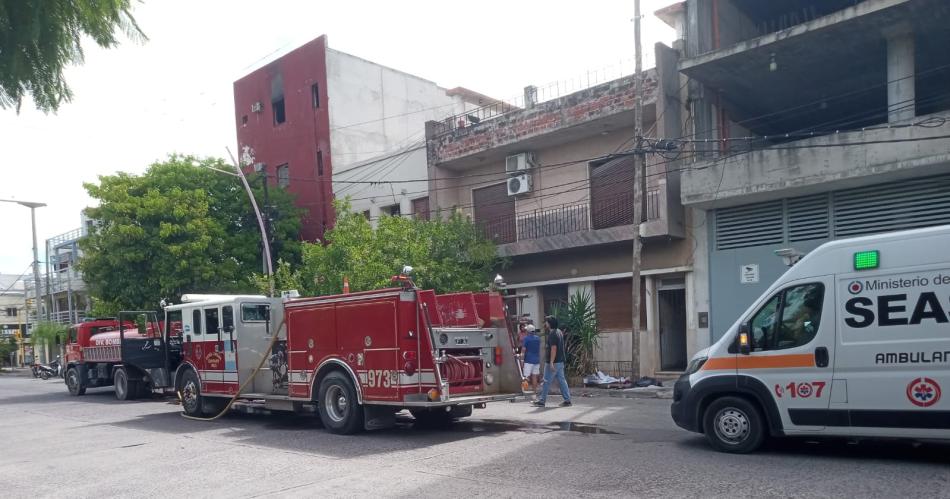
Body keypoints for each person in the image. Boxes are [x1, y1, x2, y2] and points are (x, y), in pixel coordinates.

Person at [532, 315, 572, 408]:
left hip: (554, 362)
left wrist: (551, 362)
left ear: (549, 324)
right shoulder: (559, 332)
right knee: (562, 381)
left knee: (546, 381)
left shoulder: (552, 334)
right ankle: (567, 400)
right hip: (560, 361)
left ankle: (542, 401)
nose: (545, 323)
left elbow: (554, 348)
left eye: (546, 322)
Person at [521, 324, 541, 396]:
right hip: (536, 360)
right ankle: (534, 393)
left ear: (528, 331)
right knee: (534, 377)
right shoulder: (538, 338)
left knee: (526, 377)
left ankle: (524, 392)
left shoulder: (526, 339)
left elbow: (523, 350)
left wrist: (522, 360)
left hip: (528, 360)